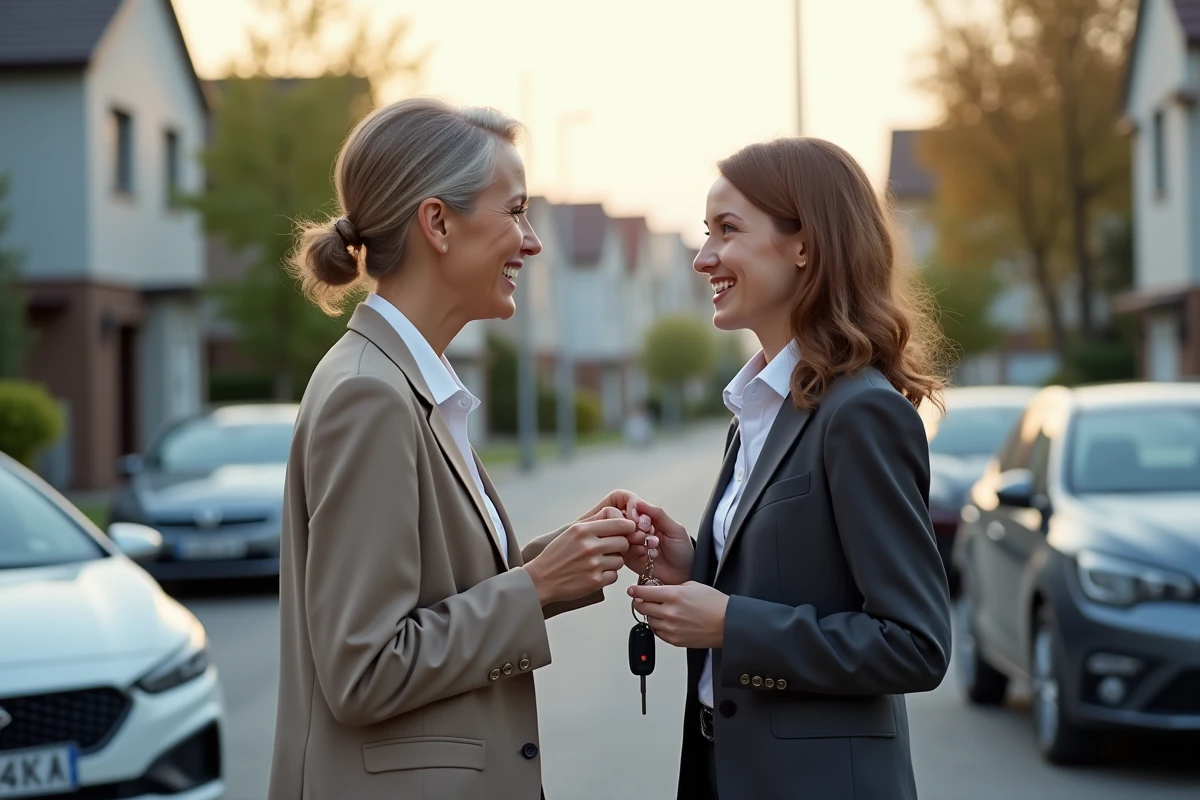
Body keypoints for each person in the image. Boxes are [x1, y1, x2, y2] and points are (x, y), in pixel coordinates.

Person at [267, 97, 649, 800]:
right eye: (515, 211)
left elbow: (433, 598)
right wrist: (533, 588)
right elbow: (365, 668)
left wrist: (559, 563)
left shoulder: (406, 384)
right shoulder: (370, 397)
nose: (532, 241)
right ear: (437, 223)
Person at [625, 137, 954, 800]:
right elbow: (795, 576)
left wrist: (729, 624)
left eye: (728, 230)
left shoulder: (861, 413)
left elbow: (915, 643)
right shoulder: (759, 407)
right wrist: (694, 564)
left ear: (804, 245)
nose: (703, 257)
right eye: (705, 232)